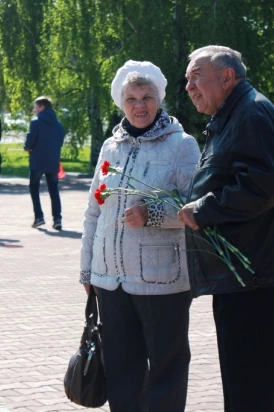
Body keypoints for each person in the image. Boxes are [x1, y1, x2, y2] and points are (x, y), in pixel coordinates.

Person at [177, 45, 274, 412]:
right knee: (243, 380)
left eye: (197, 76)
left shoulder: (251, 112)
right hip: (241, 274)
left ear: (227, 77)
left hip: (252, 276)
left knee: (250, 383)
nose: (189, 86)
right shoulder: (233, 114)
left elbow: (264, 184)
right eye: (186, 78)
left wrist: (205, 208)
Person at [80, 60, 201, 412]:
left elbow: (195, 208)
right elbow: (93, 212)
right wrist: (88, 270)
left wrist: (153, 215)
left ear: (159, 99)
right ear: (121, 103)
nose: (140, 105)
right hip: (111, 279)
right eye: (131, 98)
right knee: (121, 369)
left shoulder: (182, 145)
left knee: (167, 367)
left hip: (162, 281)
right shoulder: (111, 148)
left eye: (147, 97)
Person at [24, 96, 65, 230]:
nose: (34, 110)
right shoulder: (58, 124)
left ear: (42, 107)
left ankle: (39, 217)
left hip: (37, 160)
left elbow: (31, 138)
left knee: (34, 187)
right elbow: (60, 141)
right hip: (53, 161)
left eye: (35, 107)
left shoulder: (36, 122)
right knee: (53, 189)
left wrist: (27, 147)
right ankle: (57, 219)